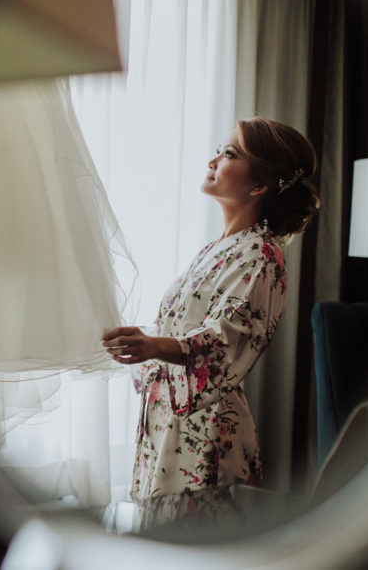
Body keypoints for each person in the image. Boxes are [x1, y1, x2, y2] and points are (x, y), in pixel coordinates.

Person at [102, 117, 320, 529]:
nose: (212, 160)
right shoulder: (216, 249)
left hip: (208, 435)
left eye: (229, 154)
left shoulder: (262, 255)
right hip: (169, 425)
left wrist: (156, 346)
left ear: (259, 186)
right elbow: (177, 327)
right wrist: (138, 339)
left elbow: (228, 340)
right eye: (220, 150)